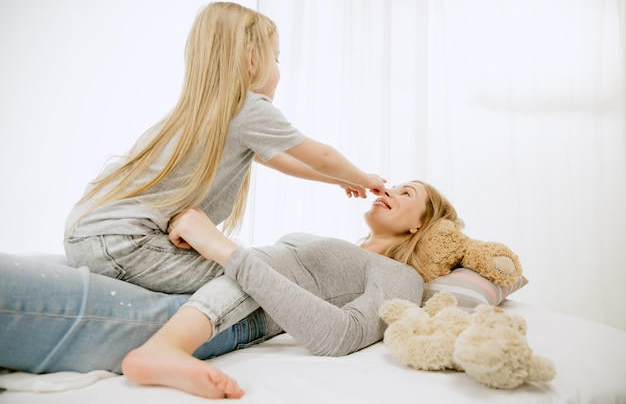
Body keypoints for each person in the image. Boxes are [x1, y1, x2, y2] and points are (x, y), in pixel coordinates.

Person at [64, 1, 385, 349]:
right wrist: (364, 177)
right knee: (256, 276)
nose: (279, 68)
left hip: (88, 232)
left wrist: (340, 180)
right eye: (275, 58)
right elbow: (321, 156)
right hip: (124, 243)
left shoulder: (206, 111)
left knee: (243, 265)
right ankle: (168, 349)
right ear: (251, 58)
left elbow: (278, 160)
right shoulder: (247, 108)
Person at [0, 180, 460, 398]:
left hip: (218, 314)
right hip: (205, 282)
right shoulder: (348, 248)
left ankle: (164, 350)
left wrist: (222, 248)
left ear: (422, 223)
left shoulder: (402, 278)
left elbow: (338, 336)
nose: (390, 190)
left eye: (407, 193)